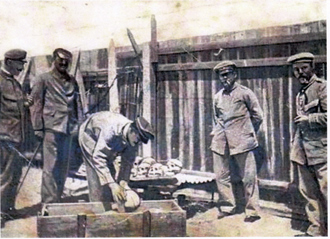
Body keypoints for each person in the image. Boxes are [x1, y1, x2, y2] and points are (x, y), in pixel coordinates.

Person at [210, 60, 263, 222]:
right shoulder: (217, 97)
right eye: (221, 76)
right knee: (221, 175)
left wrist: (245, 132)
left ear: (234, 74)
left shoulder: (245, 93)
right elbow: (216, 118)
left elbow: (258, 116)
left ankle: (252, 211)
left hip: (242, 140)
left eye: (227, 74)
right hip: (221, 141)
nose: (224, 79)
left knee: (248, 177)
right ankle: (227, 206)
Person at [30, 48, 83, 203]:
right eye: (61, 61)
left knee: (63, 167)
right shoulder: (43, 79)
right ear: (54, 60)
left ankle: (57, 199)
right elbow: (35, 104)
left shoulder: (72, 80)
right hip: (51, 128)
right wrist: (38, 127)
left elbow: (77, 104)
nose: (64, 64)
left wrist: (79, 126)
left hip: (68, 129)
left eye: (67, 62)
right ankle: (47, 203)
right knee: (50, 168)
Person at [78, 111, 154, 210]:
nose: (138, 142)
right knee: (97, 177)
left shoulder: (133, 138)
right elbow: (99, 157)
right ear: (132, 130)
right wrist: (113, 185)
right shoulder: (110, 130)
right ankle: (98, 210)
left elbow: (127, 162)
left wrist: (123, 183)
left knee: (111, 175)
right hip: (90, 135)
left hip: (107, 140)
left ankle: (112, 204)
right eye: (138, 139)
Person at [287, 52, 327, 237]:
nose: (300, 73)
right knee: (309, 193)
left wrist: (308, 118)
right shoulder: (301, 91)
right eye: (296, 70)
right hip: (303, 151)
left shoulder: (323, 87)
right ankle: (315, 231)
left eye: (304, 68)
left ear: (313, 67)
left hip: (321, 151)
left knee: (326, 192)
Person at [0, 49, 33, 228]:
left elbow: (16, 105)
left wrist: (26, 103)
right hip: (4, 137)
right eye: (19, 63)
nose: (21, 67)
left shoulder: (15, 83)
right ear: (9, 62)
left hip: (17, 137)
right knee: (4, 176)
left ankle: (8, 208)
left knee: (15, 175)